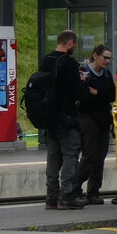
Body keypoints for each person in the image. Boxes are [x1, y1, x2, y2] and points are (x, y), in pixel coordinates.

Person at [41, 30, 90, 210]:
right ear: (69, 43)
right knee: (70, 155)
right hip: (67, 116)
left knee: (53, 157)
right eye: (74, 45)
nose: (74, 48)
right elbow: (77, 91)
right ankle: (66, 195)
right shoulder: (68, 62)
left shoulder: (47, 59)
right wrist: (82, 81)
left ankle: (51, 198)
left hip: (49, 117)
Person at [75, 44, 116, 206]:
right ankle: (75, 188)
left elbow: (112, 94)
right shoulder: (84, 72)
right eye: (105, 57)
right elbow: (83, 95)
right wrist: (98, 95)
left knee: (100, 156)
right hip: (87, 116)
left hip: (103, 118)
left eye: (109, 58)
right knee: (89, 155)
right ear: (95, 56)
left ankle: (93, 192)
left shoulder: (106, 74)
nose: (107, 61)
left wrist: (96, 93)